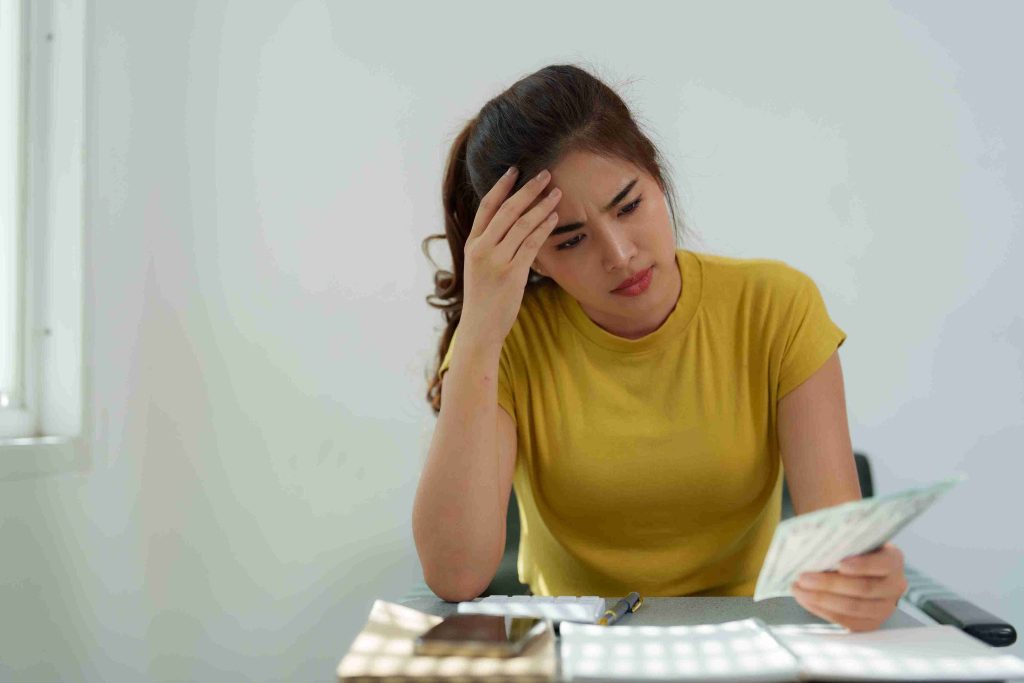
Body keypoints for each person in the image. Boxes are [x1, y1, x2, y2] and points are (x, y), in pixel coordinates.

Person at [413, 63, 907, 632]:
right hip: (578, 646)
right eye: (570, 240)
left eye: (628, 206)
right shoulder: (505, 341)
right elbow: (455, 577)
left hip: (744, 641)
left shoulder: (777, 308)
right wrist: (478, 332)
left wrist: (865, 585)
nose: (620, 254)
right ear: (532, 258)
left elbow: (838, 561)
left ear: (657, 176)